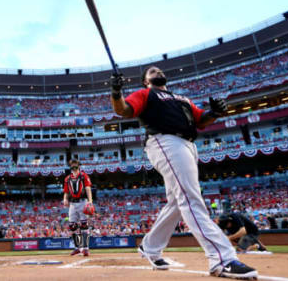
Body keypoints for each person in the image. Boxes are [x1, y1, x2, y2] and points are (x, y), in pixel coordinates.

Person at [110, 66, 257, 279]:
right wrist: (116, 92)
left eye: (158, 68)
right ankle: (222, 259)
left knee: (177, 202)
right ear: (145, 81)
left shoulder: (182, 98)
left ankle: (149, 246)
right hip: (165, 141)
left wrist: (214, 112)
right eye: (151, 71)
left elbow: (200, 121)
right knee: (189, 198)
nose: (156, 69)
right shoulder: (146, 93)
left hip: (187, 144)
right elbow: (123, 110)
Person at [63, 159, 93, 256]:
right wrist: (65, 199)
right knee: (72, 225)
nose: (74, 168)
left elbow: (88, 188)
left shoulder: (83, 176)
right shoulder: (67, 179)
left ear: (79, 166)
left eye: (75, 166)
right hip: (72, 203)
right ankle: (77, 247)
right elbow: (66, 191)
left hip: (82, 201)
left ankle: (85, 248)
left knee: (84, 224)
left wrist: (90, 201)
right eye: (72, 166)